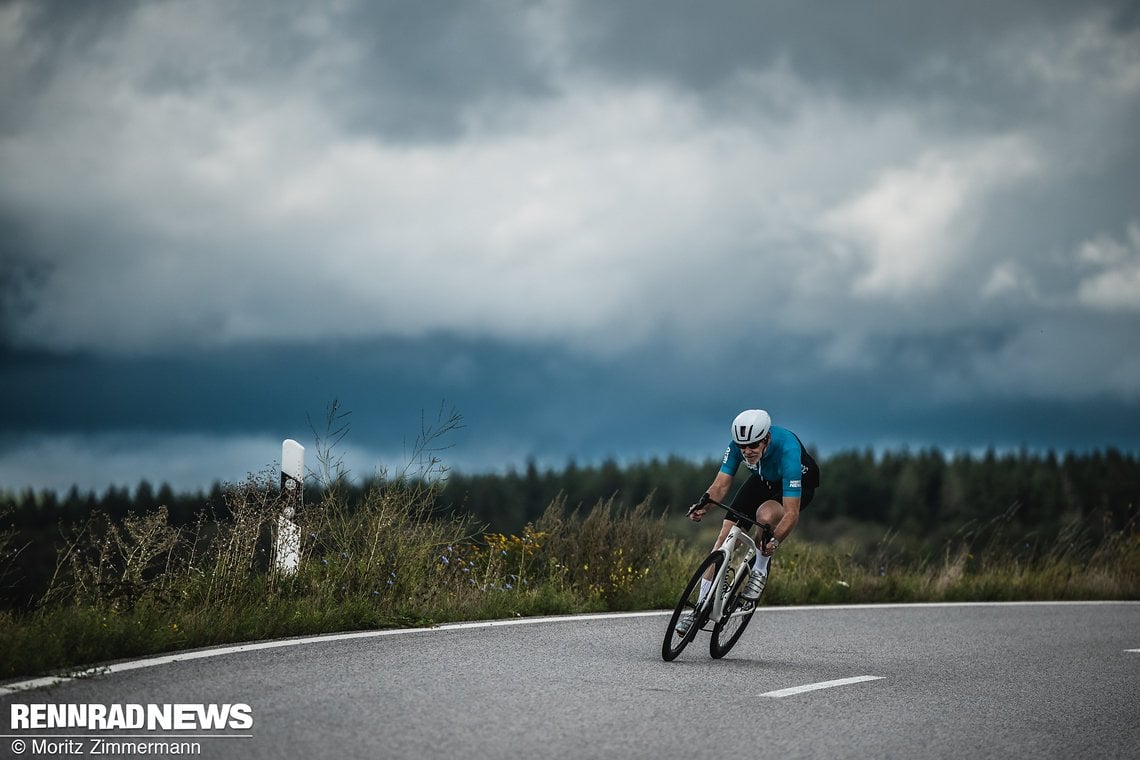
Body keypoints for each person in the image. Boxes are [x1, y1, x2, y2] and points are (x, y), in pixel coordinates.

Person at [676, 409, 820, 635]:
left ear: (767, 439)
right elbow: (720, 486)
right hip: (762, 481)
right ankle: (698, 609)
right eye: (743, 447)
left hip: (792, 486)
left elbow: (791, 514)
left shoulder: (788, 451)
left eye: (753, 446)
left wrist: (775, 541)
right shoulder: (737, 446)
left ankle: (759, 570)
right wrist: (702, 507)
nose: (747, 451)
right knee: (724, 539)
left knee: (764, 516)